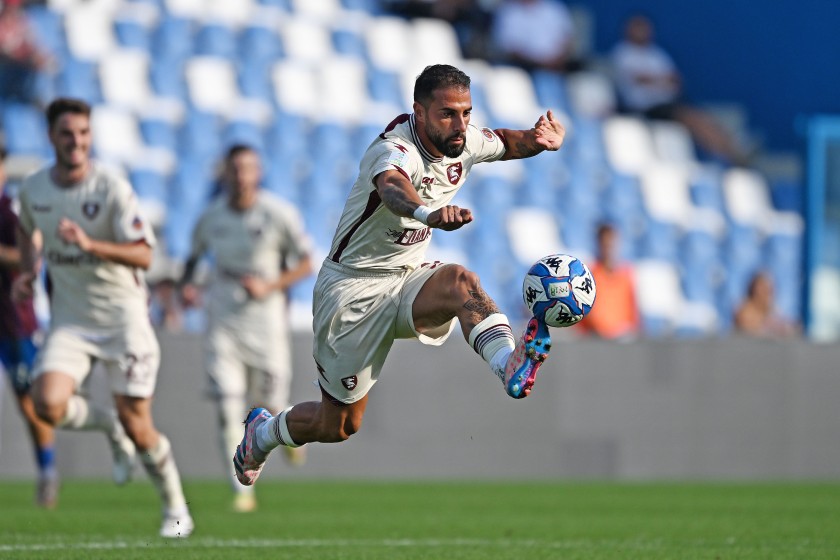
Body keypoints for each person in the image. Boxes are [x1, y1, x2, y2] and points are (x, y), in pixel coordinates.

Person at [232, 63, 566, 487]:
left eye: (466, 112)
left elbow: (503, 141)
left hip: (404, 276)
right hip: (351, 291)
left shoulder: (460, 141)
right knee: (339, 426)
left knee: (461, 283)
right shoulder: (394, 150)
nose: (460, 124)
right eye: (448, 113)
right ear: (419, 111)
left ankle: (508, 364)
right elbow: (393, 190)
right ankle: (262, 433)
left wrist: (538, 142)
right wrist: (428, 213)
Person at [12, 98, 193, 537]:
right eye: (67, 133)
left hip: (123, 320)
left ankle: (176, 508)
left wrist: (90, 245)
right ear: (51, 137)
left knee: (140, 426)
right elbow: (26, 231)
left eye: (83, 133)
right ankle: (107, 424)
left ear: (90, 136)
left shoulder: (111, 188)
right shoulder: (34, 189)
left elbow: (145, 254)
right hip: (71, 321)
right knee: (46, 403)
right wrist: (27, 270)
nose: (76, 142)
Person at [180, 144, 314, 513]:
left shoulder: (278, 213)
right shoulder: (211, 218)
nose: (241, 176)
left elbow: (305, 263)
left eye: (248, 169)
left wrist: (270, 286)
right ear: (225, 173)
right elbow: (191, 261)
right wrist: (187, 288)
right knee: (227, 405)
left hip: (266, 319)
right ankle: (242, 489)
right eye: (234, 169)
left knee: (270, 404)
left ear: (258, 173)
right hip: (223, 317)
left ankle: (291, 436)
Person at [611, 14, 752, 166]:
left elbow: (675, 80)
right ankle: (729, 155)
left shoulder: (657, 54)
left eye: (645, 28)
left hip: (669, 103)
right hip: (644, 109)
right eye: (638, 28)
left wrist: (656, 80)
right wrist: (661, 80)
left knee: (702, 117)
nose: (642, 32)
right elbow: (640, 79)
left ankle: (732, 150)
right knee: (691, 119)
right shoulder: (622, 52)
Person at [1, 146, 59, 508]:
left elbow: (30, 258)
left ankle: (48, 471)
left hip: (13, 322)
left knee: (29, 403)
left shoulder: (9, 213)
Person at [575, 223, 640, 340]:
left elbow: (633, 314)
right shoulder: (589, 275)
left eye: (611, 244)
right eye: (605, 244)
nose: (609, 248)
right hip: (595, 339)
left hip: (622, 339)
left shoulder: (626, 276)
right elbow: (587, 314)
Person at [490, 0, 581, 73]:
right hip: (522, 70)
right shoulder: (508, 12)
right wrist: (539, 64)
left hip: (557, 69)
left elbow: (568, 40)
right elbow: (510, 49)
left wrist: (556, 61)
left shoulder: (554, 8)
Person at [0, 0, 52, 105]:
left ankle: (40, 100)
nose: (12, 11)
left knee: (46, 68)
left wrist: (37, 57)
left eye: (14, 8)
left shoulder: (22, 20)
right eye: (9, 8)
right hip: (10, 69)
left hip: (25, 65)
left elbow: (32, 42)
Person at [734, 271, 799, 338]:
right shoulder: (744, 309)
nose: (766, 292)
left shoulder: (772, 309)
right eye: (762, 288)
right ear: (753, 289)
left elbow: (788, 325)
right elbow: (747, 325)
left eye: (768, 289)